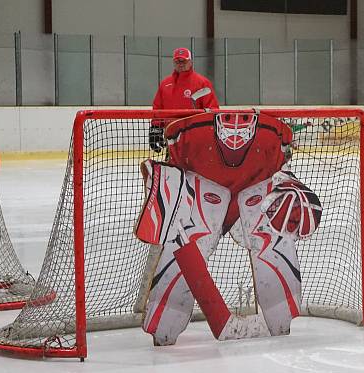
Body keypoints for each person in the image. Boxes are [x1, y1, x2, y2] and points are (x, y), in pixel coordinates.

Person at [135, 110, 321, 346]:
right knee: (190, 237)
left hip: (244, 182)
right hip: (204, 180)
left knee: (269, 237)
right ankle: (165, 321)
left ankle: (280, 315)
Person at [149, 47, 220, 153]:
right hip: (172, 139)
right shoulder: (165, 84)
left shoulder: (202, 83)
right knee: (173, 168)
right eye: (177, 61)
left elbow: (212, 110)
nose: (180, 64)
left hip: (196, 141)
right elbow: (158, 108)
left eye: (184, 61)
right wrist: (155, 130)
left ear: (190, 62)